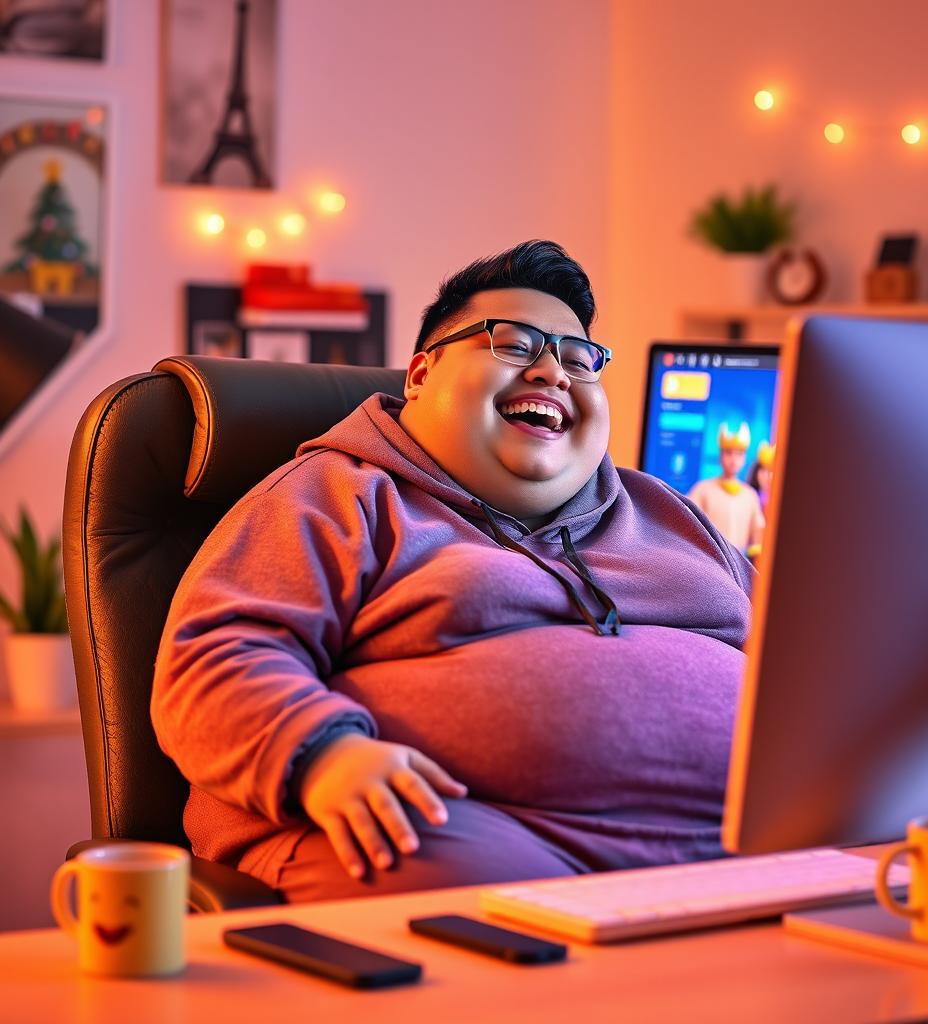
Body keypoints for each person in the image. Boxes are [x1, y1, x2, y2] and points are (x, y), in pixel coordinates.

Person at [153, 240, 754, 903]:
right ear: (419, 377)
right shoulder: (339, 494)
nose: (554, 374)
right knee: (447, 875)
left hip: (738, 840)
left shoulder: (671, 513)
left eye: (580, 361)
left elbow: (808, 668)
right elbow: (213, 657)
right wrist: (325, 756)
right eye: (516, 344)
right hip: (486, 837)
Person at [687, 423, 765, 555]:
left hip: (740, 560)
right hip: (710, 558)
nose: (733, 460)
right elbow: (688, 521)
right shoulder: (703, 489)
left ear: (744, 458)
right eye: (729, 453)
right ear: (721, 455)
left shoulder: (750, 495)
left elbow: (758, 532)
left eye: (739, 454)